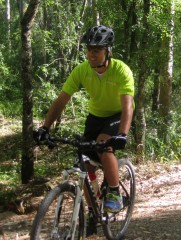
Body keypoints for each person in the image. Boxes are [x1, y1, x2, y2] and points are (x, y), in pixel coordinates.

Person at [33, 25, 134, 234]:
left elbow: (127, 107)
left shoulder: (121, 70)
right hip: (95, 117)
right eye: (89, 49)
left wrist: (122, 133)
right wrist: (45, 127)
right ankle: (91, 209)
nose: (91, 54)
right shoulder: (82, 70)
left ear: (108, 51)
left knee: (103, 144)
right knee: (83, 162)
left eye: (97, 49)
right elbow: (62, 99)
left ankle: (114, 193)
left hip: (116, 116)